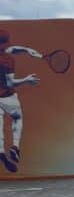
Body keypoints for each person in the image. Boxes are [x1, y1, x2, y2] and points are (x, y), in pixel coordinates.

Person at [0, 30, 43, 174]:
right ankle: (15, 147)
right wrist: (26, 80)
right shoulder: (7, 60)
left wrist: (26, 49)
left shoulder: (6, 53)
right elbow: (10, 83)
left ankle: (1, 153)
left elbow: (11, 49)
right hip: (7, 96)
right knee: (17, 118)